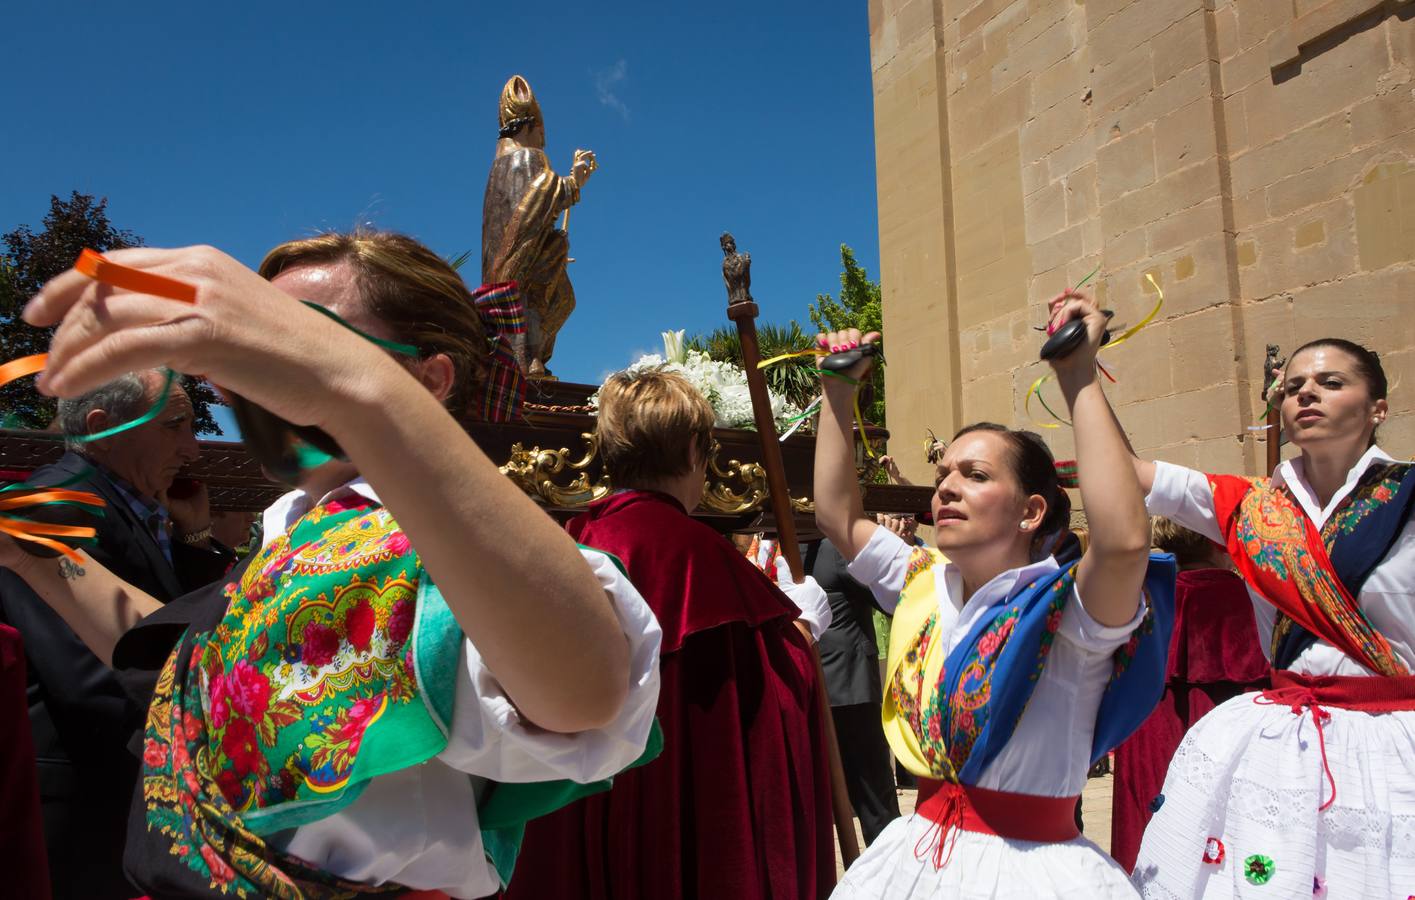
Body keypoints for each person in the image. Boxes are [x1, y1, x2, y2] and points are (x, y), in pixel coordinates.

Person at [7, 231, 661, 898]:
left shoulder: (444, 538)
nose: (251, 378)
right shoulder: (298, 531)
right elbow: (176, 659)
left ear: (427, 379)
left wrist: (359, 393)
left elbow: (585, 693)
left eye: (296, 339)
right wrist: (32, 555)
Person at [813, 291, 1176, 899]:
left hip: (1030, 870)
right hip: (914, 860)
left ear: (1032, 510)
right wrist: (837, 395)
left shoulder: (1071, 612)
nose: (947, 488)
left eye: (975, 476)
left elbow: (1123, 543)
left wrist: (1078, 375)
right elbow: (838, 517)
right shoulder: (925, 582)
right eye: (943, 476)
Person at [504, 369, 836, 900]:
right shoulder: (698, 556)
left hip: (581, 802)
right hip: (676, 807)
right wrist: (802, 632)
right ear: (692, 451)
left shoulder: (569, 541)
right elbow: (764, 707)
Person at [1125, 337, 1412, 899]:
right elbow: (1129, 471)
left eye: (1331, 382)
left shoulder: (1409, 495)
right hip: (1285, 744)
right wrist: (1080, 371)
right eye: (1293, 386)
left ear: (1378, 407)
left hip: (1392, 739)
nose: (1307, 393)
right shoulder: (1251, 506)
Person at [0, 369, 235, 899]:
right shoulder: (49, 510)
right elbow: (88, 679)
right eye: (175, 425)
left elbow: (174, 621)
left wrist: (194, 537)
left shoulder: (135, 506)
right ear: (103, 427)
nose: (193, 450)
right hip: (85, 813)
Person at [1109, 518, 1267, 872]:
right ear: (1218, 544)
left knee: (1152, 835)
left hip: (1151, 730)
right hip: (1230, 729)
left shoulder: (1144, 600)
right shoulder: (1249, 600)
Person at [803, 536, 902, 845]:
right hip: (851, 684)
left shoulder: (791, 548)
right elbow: (888, 597)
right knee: (875, 793)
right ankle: (889, 868)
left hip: (820, 681)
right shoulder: (834, 551)